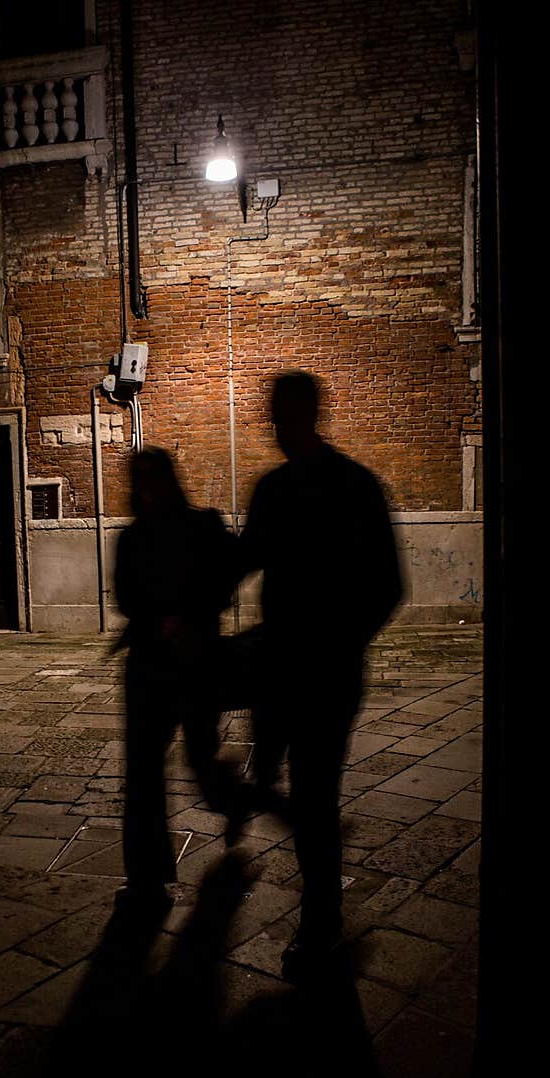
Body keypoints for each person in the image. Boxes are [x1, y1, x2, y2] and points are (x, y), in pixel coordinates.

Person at [234, 371, 404, 982]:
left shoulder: (333, 488)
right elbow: (244, 559)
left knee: (313, 796)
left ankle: (320, 921)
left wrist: (334, 644)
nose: (274, 429)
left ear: (302, 417)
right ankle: (314, 906)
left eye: (279, 418)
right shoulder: (322, 486)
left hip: (321, 674)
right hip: (289, 669)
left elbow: (386, 585)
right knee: (293, 784)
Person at [114, 447, 236, 913]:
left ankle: (232, 799)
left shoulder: (204, 525)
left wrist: (188, 617)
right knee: (143, 774)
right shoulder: (131, 538)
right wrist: (159, 620)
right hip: (147, 665)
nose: (146, 488)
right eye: (139, 479)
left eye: (153, 478)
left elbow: (224, 582)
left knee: (200, 761)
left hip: (196, 660)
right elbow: (126, 596)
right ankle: (146, 877)